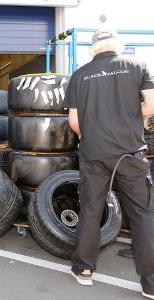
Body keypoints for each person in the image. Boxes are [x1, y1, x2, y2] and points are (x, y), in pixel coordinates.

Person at [63, 29, 154, 299]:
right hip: (130, 153)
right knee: (143, 214)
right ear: (116, 44)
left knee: (91, 210)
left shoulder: (79, 75)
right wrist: (128, 117)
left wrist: (93, 136)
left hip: (94, 155)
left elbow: (74, 122)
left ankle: (84, 270)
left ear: (93, 47)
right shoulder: (137, 66)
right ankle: (151, 284)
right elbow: (151, 106)